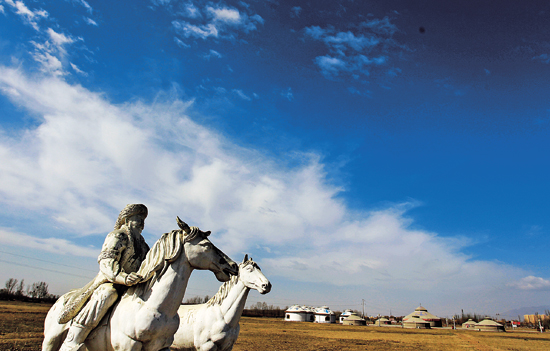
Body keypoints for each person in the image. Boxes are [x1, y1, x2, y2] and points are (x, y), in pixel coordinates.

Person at [59, 204, 150, 351]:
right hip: (110, 281)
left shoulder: (144, 246)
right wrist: (123, 277)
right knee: (108, 294)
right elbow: (107, 263)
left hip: (132, 286)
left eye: (143, 219)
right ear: (127, 220)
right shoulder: (118, 235)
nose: (141, 222)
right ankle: (74, 338)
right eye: (138, 218)